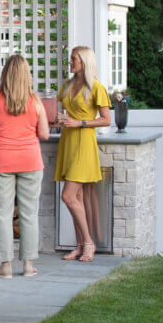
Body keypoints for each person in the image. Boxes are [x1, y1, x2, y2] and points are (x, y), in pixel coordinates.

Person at [0, 55, 49, 278]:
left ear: (5, 75)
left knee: (2, 214)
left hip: (1, 161)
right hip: (30, 160)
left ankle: (6, 267)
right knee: (29, 213)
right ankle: (28, 266)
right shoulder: (36, 102)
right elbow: (45, 134)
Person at [54, 46, 111, 262]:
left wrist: (80, 122)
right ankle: (79, 244)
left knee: (67, 196)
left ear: (84, 61)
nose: (70, 62)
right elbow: (62, 111)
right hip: (67, 142)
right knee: (75, 197)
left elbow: (106, 119)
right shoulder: (68, 85)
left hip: (84, 143)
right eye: (70, 59)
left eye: (73, 59)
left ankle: (89, 242)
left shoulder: (97, 87)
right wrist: (61, 118)